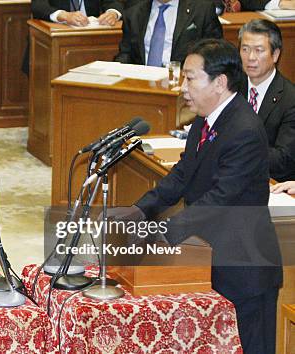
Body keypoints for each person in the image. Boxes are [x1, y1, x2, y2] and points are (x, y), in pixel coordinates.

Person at [109, 39, 282, 353]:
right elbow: (182, 174)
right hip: (209, 260)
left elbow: (219, 200)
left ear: (219, 82)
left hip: (244, 269)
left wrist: (164, 233)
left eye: (190, 78)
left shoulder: (244, 129)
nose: (183, 87)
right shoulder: (206, 118)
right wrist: (139, 209)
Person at [239, 19, 295, 182]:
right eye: (245, 49)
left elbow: (283, 159)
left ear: (275, 54)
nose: (250, 57)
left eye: (259, 50)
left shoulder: (290, 100)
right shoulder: (231, 86)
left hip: (269, 182)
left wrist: (234, 149)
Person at [22, 0, 125, 75]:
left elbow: (113, 2)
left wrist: (113, 13)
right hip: (52, 45)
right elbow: (38, 6)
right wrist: (64, 15)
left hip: (92, 42)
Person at [114, 0, 223, 66]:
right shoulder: (134, 13)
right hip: (142, 84)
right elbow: (126, 53)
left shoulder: (202, 9)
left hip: (183, 82)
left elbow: (215, 53)